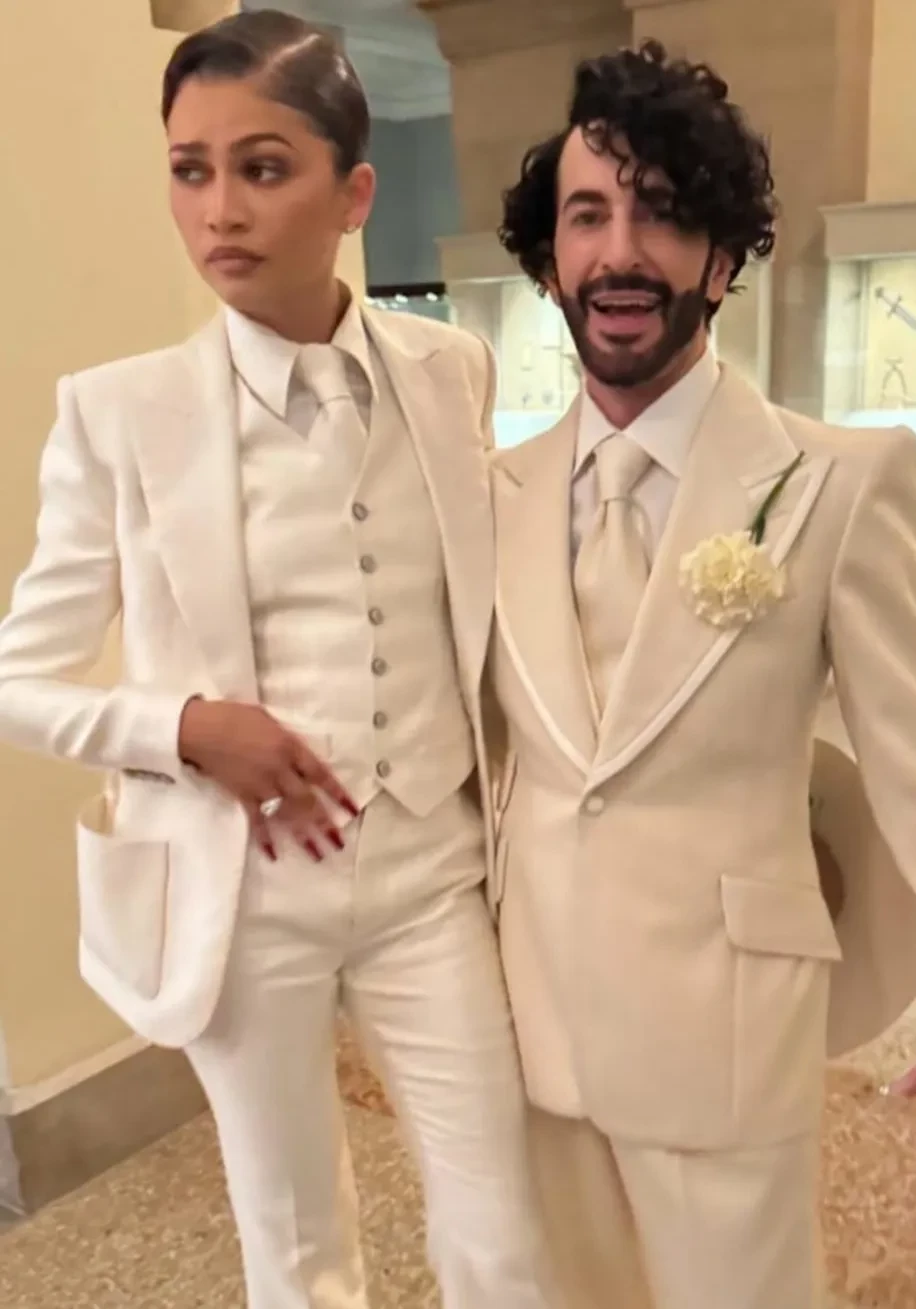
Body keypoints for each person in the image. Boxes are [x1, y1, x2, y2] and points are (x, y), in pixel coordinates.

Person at [0, 12, 555, 1309]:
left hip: (429, 871)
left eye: (263, 167)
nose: (220, 209)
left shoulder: (451, 370)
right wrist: (186, 729)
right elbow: (17, 680)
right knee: (295, 1243)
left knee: (502, 1224)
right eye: (189, 169)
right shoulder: (117, 414)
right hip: (241, 897)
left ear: (354, 193)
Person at [485, 40, 916, 1309]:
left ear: (724, 258)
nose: (622, 252)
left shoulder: (833, 482)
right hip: (530, 1015)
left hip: (724, 1022)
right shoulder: (493, 492)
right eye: (588, 215)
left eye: (664, 213)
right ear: (549, 259)